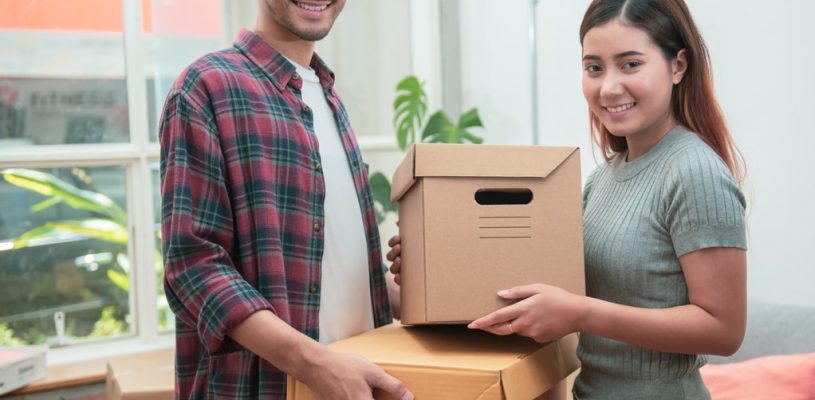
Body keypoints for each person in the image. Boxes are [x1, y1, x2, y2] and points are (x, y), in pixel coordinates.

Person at [390, 0, 746, 398]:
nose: (609, 87)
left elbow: (723, 330)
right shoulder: (604, 177)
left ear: (678, 66)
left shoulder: (695, 172)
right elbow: (548, 284)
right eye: (594, 67)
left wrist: (579, 313)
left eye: (630, 64)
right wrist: (434, 267)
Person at [160, 1, 410, 398]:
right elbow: (195, 267)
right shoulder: (206, 86)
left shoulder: (330, 99)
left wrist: (427, 294)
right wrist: (317, 365)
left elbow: (329, 268)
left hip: (357, 382)